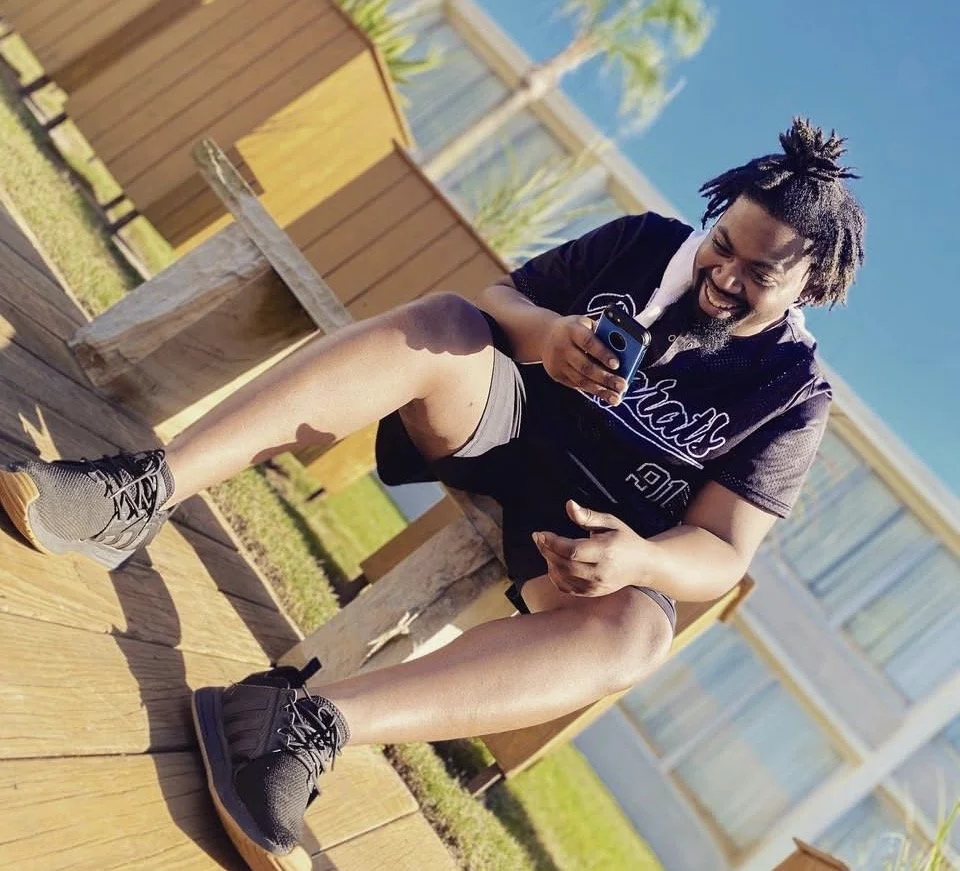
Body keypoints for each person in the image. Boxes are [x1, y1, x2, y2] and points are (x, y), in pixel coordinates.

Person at [0, 118, 865, 869]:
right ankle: (140, 492)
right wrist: (548, 335)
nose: (725, 273)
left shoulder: (794, 392)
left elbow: (722, 550)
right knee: (449, 319)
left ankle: (300, 725)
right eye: (725, 244)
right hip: (499, 422)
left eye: (760, 273)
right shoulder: (642, 242)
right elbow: (499, 300)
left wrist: (637, 556)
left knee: (639, 633)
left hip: (580, 530)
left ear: (810, 287)